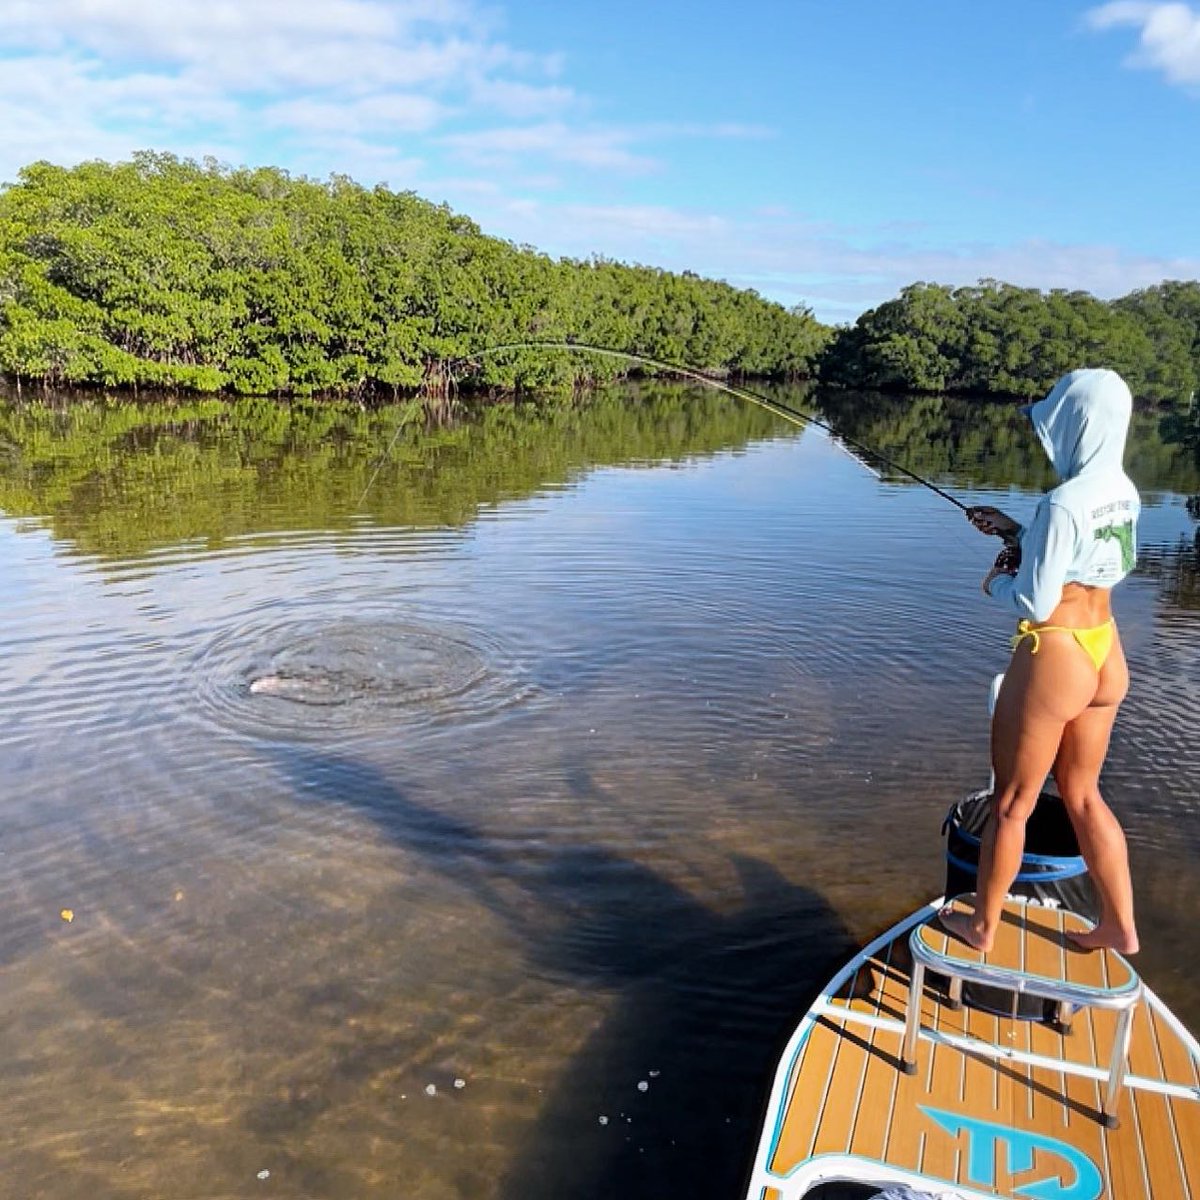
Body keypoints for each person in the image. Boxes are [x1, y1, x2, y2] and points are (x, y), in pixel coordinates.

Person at [940, 368, 1141, 955]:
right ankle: (1120, 926)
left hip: (1056, 656)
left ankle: (981, 927)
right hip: (1106, 649)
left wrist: (993, 584)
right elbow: (1089, 557)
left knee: (1010, 804)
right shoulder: (1123, 491)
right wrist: (1015, 531)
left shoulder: (1064, 501)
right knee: (1083, 795)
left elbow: (1033, 599)